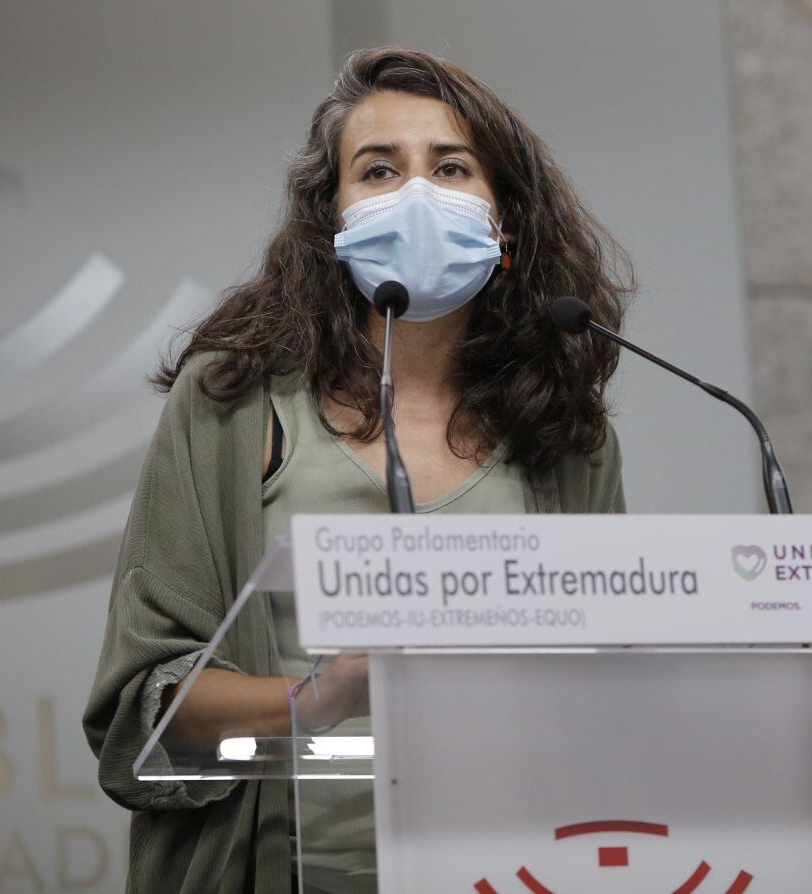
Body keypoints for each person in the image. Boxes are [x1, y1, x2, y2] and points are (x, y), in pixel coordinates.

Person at [83, 46, 632, 894]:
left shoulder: (563, 432)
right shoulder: (233, 402)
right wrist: (324, 694)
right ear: (331, 220)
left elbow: (607, 696)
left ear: (506, 222)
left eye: (451, 167)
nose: (417, 195)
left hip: (509, 870)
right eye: (378, 170)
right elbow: (141, 715)